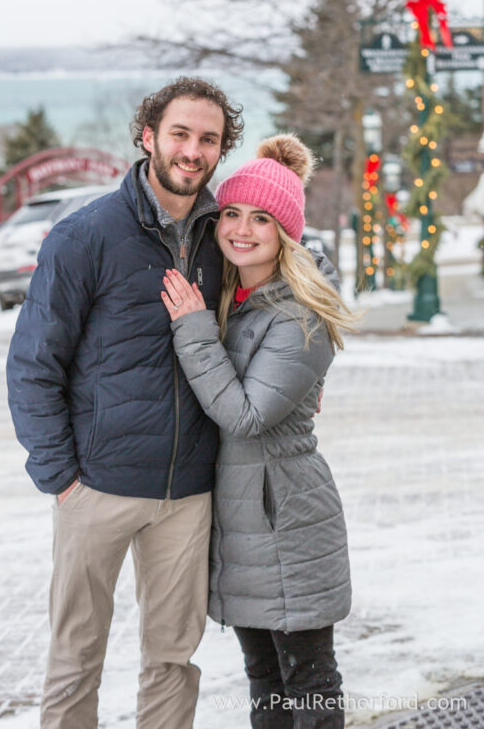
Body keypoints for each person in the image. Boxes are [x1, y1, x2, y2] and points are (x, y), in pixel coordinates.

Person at [6, 76, 243, 729]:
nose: (192, 150)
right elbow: (33, 365)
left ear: (221, 149)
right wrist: (61, 476)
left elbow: (274, 301)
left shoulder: (224, 238)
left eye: (208, 139)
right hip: (96, 487)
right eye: (180, 134)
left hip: (188, 494)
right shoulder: (84, 236)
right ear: (147, 137)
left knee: (173, 659)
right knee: (76, 656)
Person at [160, 133, 357, 728]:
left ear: (286, 232)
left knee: (308, 680)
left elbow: (247, 416)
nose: (241, 229)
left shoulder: (300, 312)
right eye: (232, 214)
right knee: (265, 678)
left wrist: (193, 328)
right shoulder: (236, 294)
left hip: (285, 517)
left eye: (261, 219)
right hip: (244, 517)